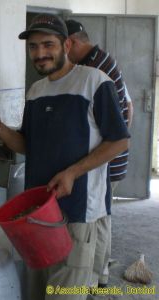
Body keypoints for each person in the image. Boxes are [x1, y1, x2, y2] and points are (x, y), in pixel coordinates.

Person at [0, 14, 129, 300]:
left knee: (68, 293)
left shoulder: (95, 82)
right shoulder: (37, 91)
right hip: (37, 212)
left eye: (48, 45)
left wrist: (73, 172)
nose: (40, 54)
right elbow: (27, 144)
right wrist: (1, 130)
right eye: (33, 47)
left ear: (67, 44)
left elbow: (119, 140)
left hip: (78, 210)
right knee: (39, 290)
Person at [66, 19, 133, 287]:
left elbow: (124, 112)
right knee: (101, 215)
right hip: (105, 156)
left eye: (64, 46)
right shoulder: (99, 59)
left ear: (75, 42)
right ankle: (98, 273)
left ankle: (96, 278)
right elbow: (128, 105)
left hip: (107, 157)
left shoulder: (96, 68)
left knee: (99, 217)